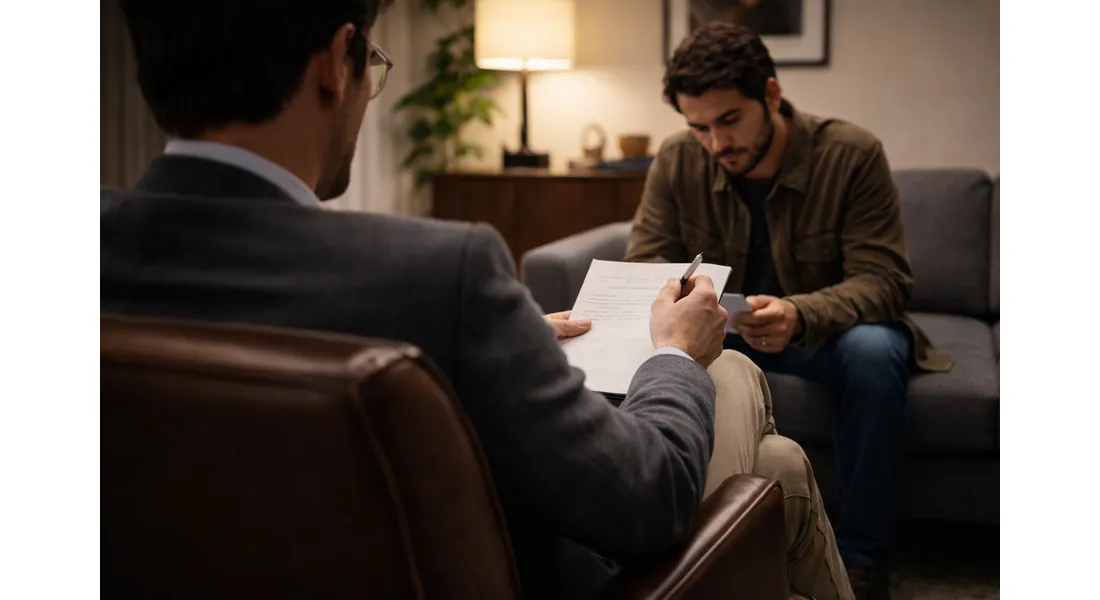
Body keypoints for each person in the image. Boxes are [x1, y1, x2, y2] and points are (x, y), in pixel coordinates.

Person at [101, 2, 851, 598]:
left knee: (780, 467)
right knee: (731, 388)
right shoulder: (441, 271)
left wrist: (511, 340)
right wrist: (674, 354)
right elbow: (647, 501)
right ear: (338, 65)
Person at [626, 21, 956, 600]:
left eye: (730, 120)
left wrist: (800, 314)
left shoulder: (850, 154)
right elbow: (647, 265)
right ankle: (688, 546)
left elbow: (885, 281)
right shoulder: (680, 159)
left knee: (877, 351)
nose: (715, 143)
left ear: (772, 96)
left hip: (824, 335)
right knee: (661, 348)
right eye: (698, 126)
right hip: (724, 332)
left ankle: (861, 560)